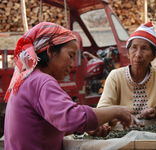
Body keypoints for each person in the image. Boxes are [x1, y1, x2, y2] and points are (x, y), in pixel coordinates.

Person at [4, 22, 132, 150]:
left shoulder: (28, 78)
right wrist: (117, 111)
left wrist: (80, 130)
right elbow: (72, 118)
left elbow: (44, 125)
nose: (72, 64)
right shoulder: (42, 81)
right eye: (70, 56)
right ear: (50, 51)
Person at [97, 22, 156, 123]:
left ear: (153, 55)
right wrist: (119, 115)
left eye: (144, 48)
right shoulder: (115, 76)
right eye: (134, 48)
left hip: (151, 131)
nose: (138, 54)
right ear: (128, 53)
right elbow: (102, 109)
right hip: (120, 132)